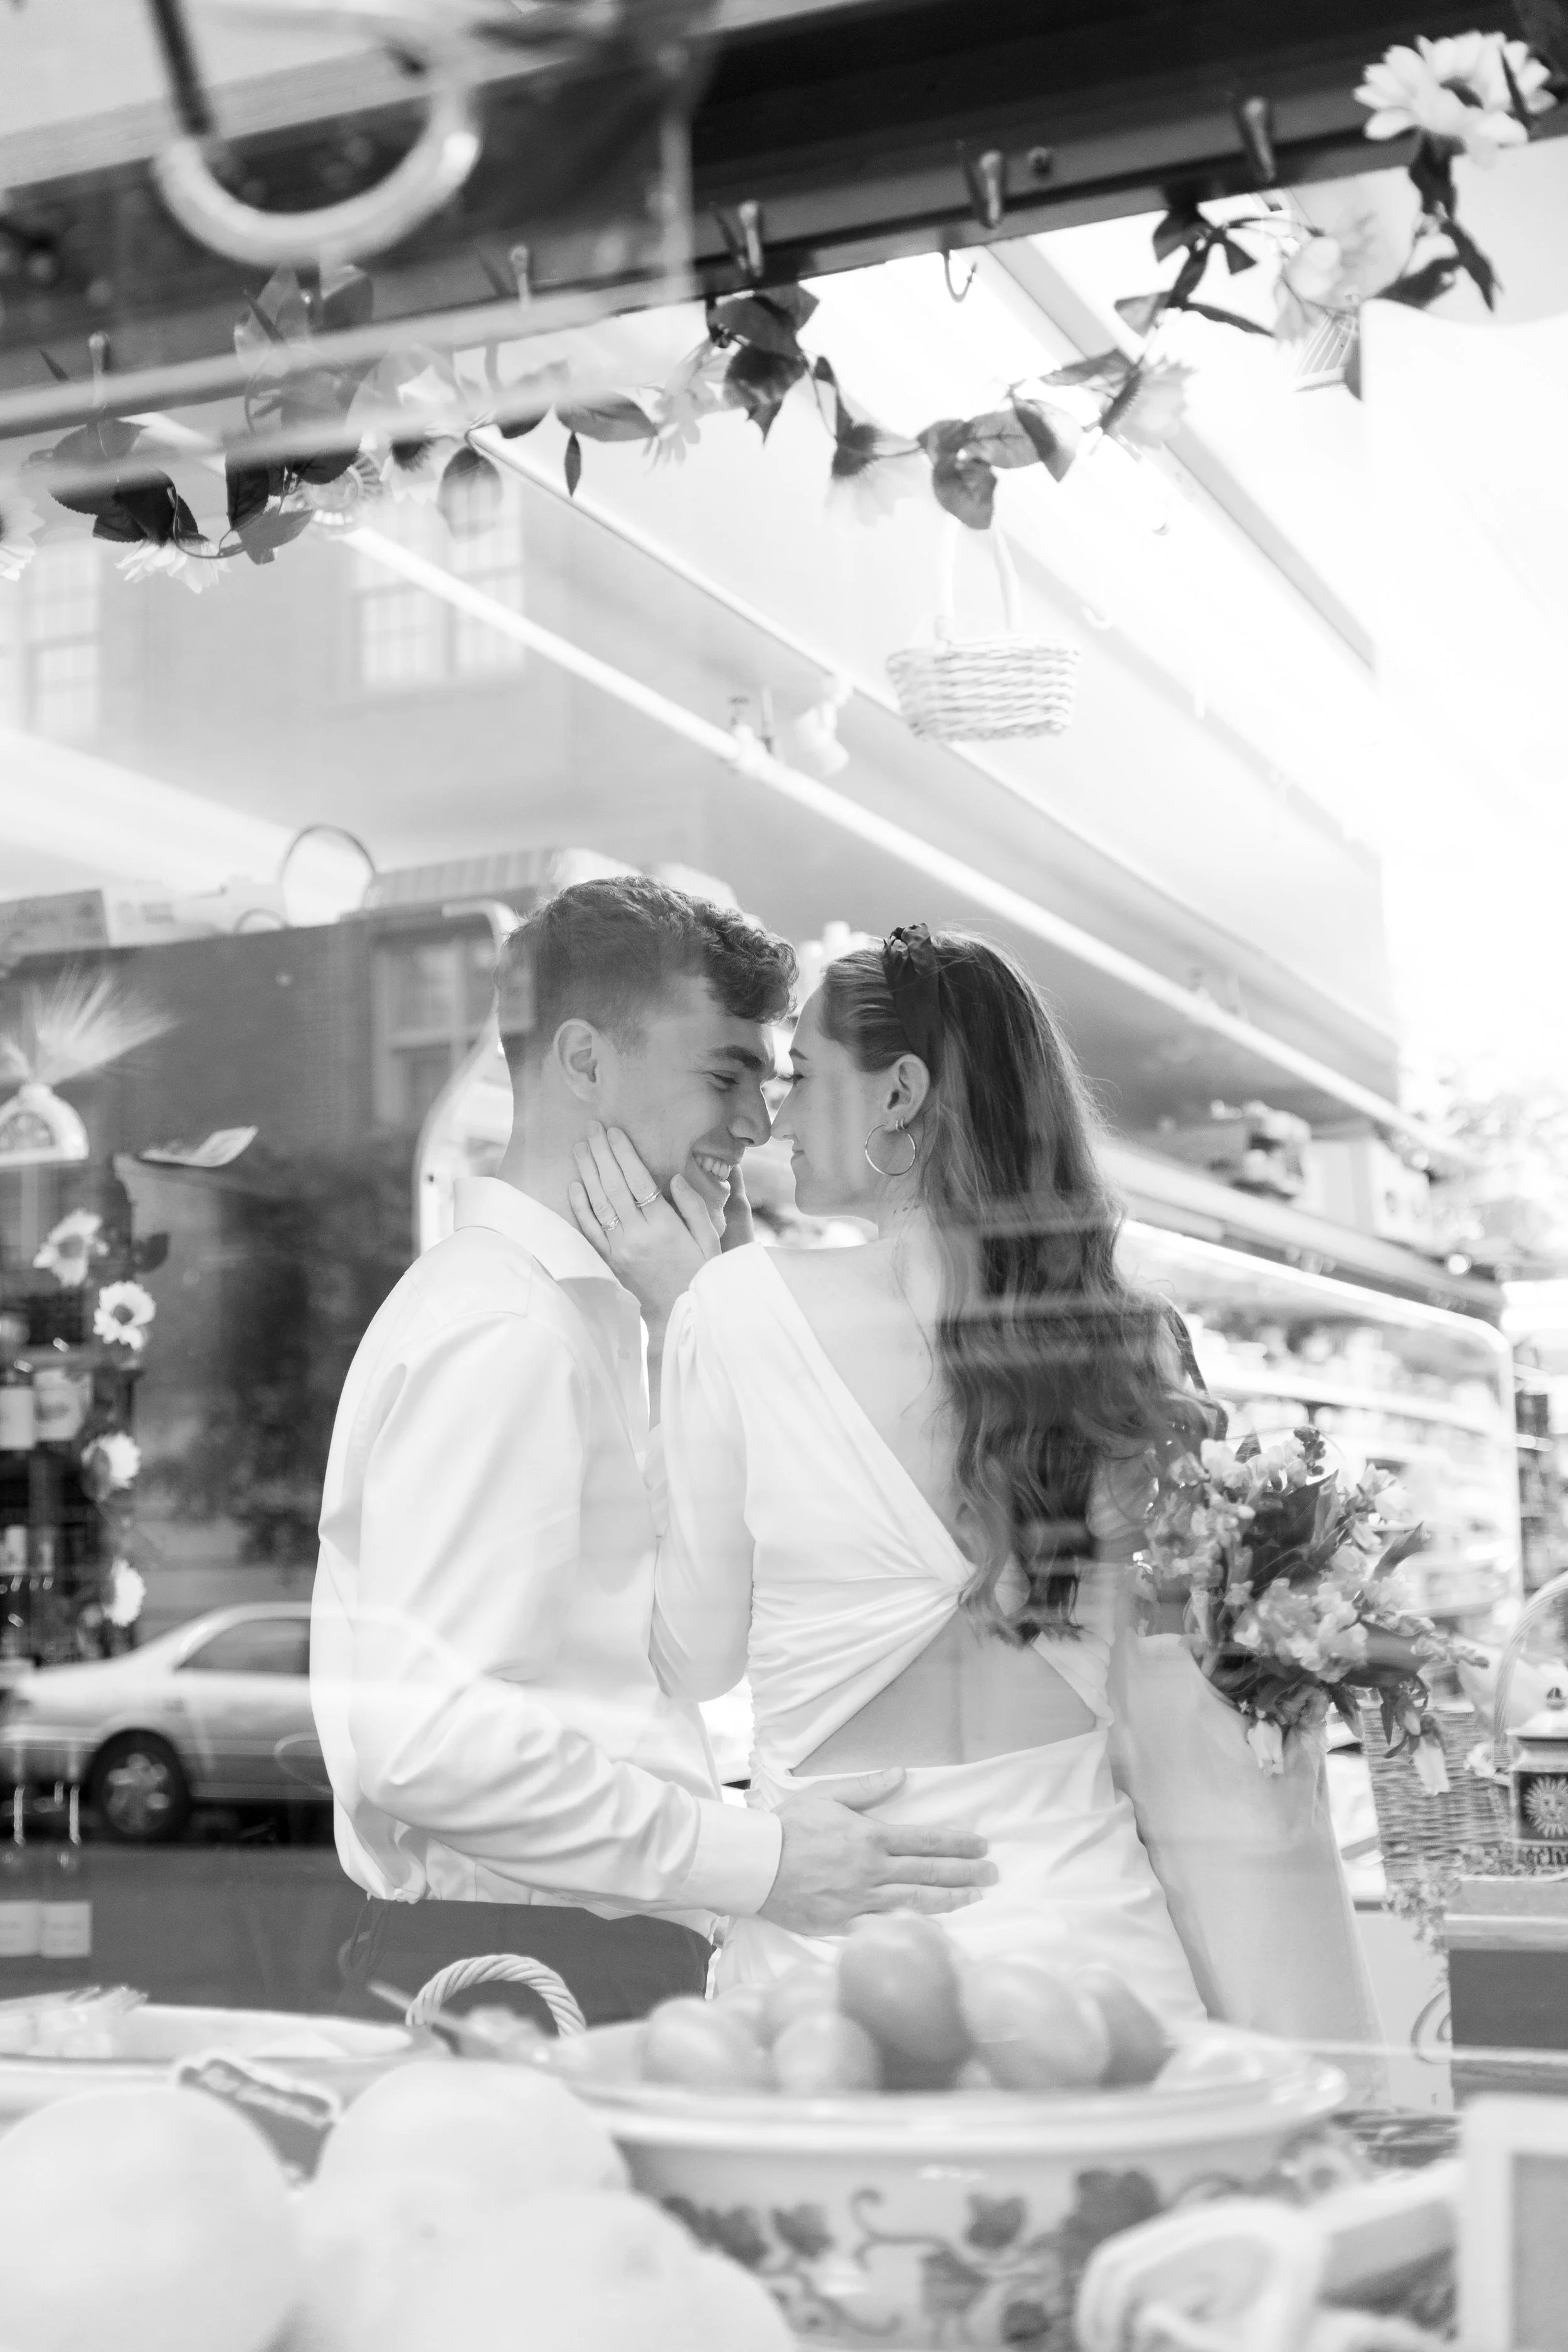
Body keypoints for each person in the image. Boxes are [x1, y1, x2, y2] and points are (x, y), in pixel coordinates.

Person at [573, 924, 1379, 2047]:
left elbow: (694, 1657)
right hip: (1102, 1962)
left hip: (846, 1971)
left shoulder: (733, 1306)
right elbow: (1168, 1669)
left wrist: (677, 1314)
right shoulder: (1136, 1344)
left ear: (900, 1092)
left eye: (805, 1076)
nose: (780, 1116)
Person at [312, 879, 993, 2031]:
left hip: (565, 1947)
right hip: (528, 1967)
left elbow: (664, 1659)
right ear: (583, 1061)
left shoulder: (582, 1313)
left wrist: (693, 1322)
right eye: (725, 1076)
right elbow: (428, 1742)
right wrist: (758, 1861)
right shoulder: (510, 1330)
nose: (758, 1125)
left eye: (769, 1084)